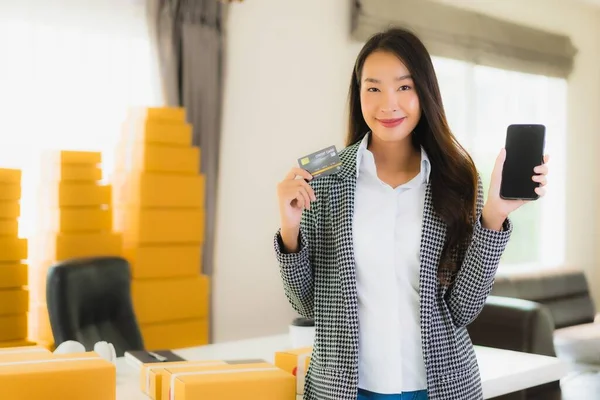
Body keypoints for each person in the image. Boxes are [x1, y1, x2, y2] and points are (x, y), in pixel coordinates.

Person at [273, 27, 549, 400]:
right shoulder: (326, 180)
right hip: (344, 390)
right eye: (374, 88)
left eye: (404, 87)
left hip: (440, 388)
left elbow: (463, 310)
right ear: (359, 96)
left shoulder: (457, 180)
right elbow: (308, 305)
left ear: (425, 92)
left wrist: (494, 215)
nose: (388, 104)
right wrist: (290, 230)